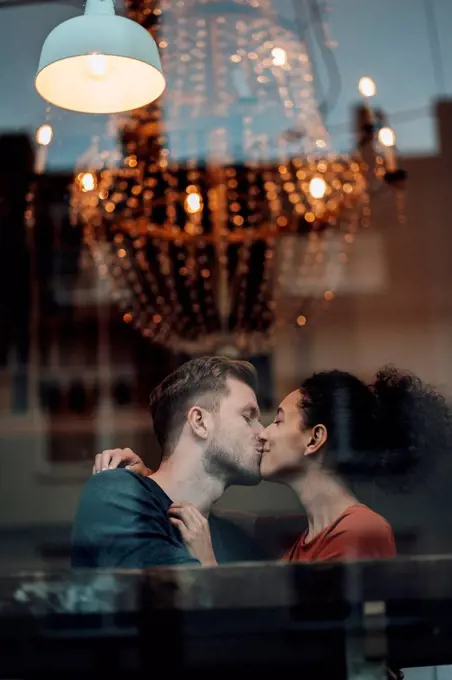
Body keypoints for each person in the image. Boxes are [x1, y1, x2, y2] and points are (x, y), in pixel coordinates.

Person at [96, 365, 452, 563]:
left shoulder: (361, 531)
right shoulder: (304, 536)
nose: (263, 434)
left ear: (315, 439)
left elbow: (304, 651)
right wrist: (153, 485)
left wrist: (207, 566)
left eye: (278, 420)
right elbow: (233, 522)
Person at [71, 356, 265, 569]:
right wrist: (209, 568)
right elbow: (161, 594)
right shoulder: (115, 492)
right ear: (199, 422)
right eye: (248, 417)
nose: (263, 432)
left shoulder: (236, 540)